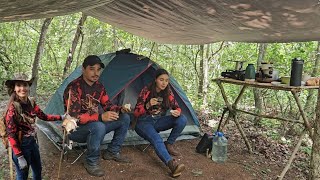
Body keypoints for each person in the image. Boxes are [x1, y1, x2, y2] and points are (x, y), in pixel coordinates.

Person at [63, 55, 131, 177]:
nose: (96, 73)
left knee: (124, 118)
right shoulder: (73, 88)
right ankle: (91, 162)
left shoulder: (99, 87)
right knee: (98, 126)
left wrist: (121, 109)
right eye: (92, 69)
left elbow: (108, 106)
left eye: (98, 69)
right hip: (74, 130)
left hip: (95, 125)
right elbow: (74, 117)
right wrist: (100, 117)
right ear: (83, 69)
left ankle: (112, 151)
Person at [4, 73, 64, 180]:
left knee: (38, 171)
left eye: (25, 85)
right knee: (23, 176)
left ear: (29, 86)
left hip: (32, 143)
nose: (22, 88)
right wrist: (19, 156)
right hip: (22, 146)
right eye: (19, 85)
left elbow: (43, 116)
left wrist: (61, 117)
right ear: (14, 88)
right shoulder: (12, 108)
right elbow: (11, 134)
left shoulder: (31, 102)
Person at [133, 68, 187, 178]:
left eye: (166, 80)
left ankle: (169, 144)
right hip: (143, 122)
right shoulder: (146, 90)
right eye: (161, 80)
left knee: (182, 119)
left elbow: (177, 106)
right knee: (157, 139)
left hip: (157, 120)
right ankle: (172, 165)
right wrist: (147, 105)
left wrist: (177, 112)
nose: (164, 83)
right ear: (155, 80)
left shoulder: (167, 92)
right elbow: (136, 112)